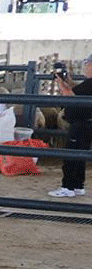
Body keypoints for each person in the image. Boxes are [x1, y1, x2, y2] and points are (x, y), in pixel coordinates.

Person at [49, 55, 92, 198]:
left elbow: (69, 95)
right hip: (87, 123)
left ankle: (67, 187)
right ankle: (78, 186)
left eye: (87, 64)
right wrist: (67, 80)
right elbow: (77, 90)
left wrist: (61, 83)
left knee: (71, 155)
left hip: (81, 123)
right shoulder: (88, 84)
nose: (85, 66)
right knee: (79, 155)